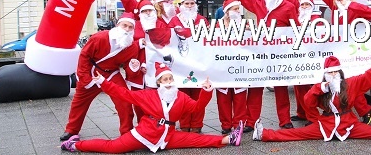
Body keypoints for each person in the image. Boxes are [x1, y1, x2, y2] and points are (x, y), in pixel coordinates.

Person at [60, 62, 243, 153]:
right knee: (113, 147)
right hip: (144, 133)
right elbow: (122, 94)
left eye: (171, 79)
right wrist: (102, 82)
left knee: (195, 140)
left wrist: (206, 92)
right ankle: (75, 145)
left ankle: (229, 139)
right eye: (165, 80)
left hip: (168, 135)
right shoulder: (148, 95)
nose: (169, 82)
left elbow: (197, 108)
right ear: (159, 82)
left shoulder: (181, 97)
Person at [251, 53, 371, 142]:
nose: (333, 75)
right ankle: (262, 134)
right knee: (296, 134)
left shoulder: (350, 83)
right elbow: (308, 104)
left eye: (336, 72)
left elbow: (370, 76)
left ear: (340, 72)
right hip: (324, 125)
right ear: (325, 74)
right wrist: (319, 89)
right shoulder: (320, 88)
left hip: (349, 124)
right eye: (330, 72)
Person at [217, 0, 298, 131]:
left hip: (279, 55)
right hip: (261, 54)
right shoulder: (259, 3)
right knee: (255, 88)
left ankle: (285, 120)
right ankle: (251, 121)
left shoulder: (288, 7)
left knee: (281, 88)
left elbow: (296, 29)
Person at [302, 0, 371, 124]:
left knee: (349, 84)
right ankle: (365, 110)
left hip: (354, 50)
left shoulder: (355, 7)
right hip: (338, 53)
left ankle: (365, 110)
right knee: (345, 85)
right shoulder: (334, 6)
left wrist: (351, 5)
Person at [60, 13, 143, 141]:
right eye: (124, 25)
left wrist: (134, 67)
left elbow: (128, 68)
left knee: (124, 101)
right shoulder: (100, 37)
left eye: (130, 27)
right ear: (117, 25)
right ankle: (71, 130)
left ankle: (126, 132)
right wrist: (84, 78)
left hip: (111, 74)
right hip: (92, 71)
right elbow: (84, 56)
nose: (127, 29)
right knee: (79, 103)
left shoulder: (131, 47)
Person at [174, 0, 210, 133]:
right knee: (182, 96)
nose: (189, 6)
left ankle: (196, 124)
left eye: (191, 4)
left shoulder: (202, 20)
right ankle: (184, 124)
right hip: (180, 66)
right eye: (186, 4)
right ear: (181, 5)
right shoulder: (174, 20)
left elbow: (209, 40)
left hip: (198, 64)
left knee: (198, 97)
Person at [214, 0, 248, 134]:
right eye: (234, 9)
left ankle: (239, 124)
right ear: (227, 11)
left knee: (240, 98)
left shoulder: (245, 26)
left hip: (239, 67)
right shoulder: (216, 26)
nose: (237, 12)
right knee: (223, 98)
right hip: (222, 68)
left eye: (238, 9)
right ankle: (226, 124)